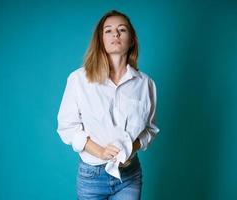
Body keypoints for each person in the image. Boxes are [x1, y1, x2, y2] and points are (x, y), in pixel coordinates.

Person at [57, 10, 160, 200]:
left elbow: (150, 129)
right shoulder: (79, 79)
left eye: (122, 29)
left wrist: (132, 148)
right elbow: (67, 127)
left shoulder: (146, 84)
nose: (116, 34)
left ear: (132, 40)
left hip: (129, 176)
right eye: (108, 31)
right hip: (91, 177)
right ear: (101, 40)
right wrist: (101, 152)